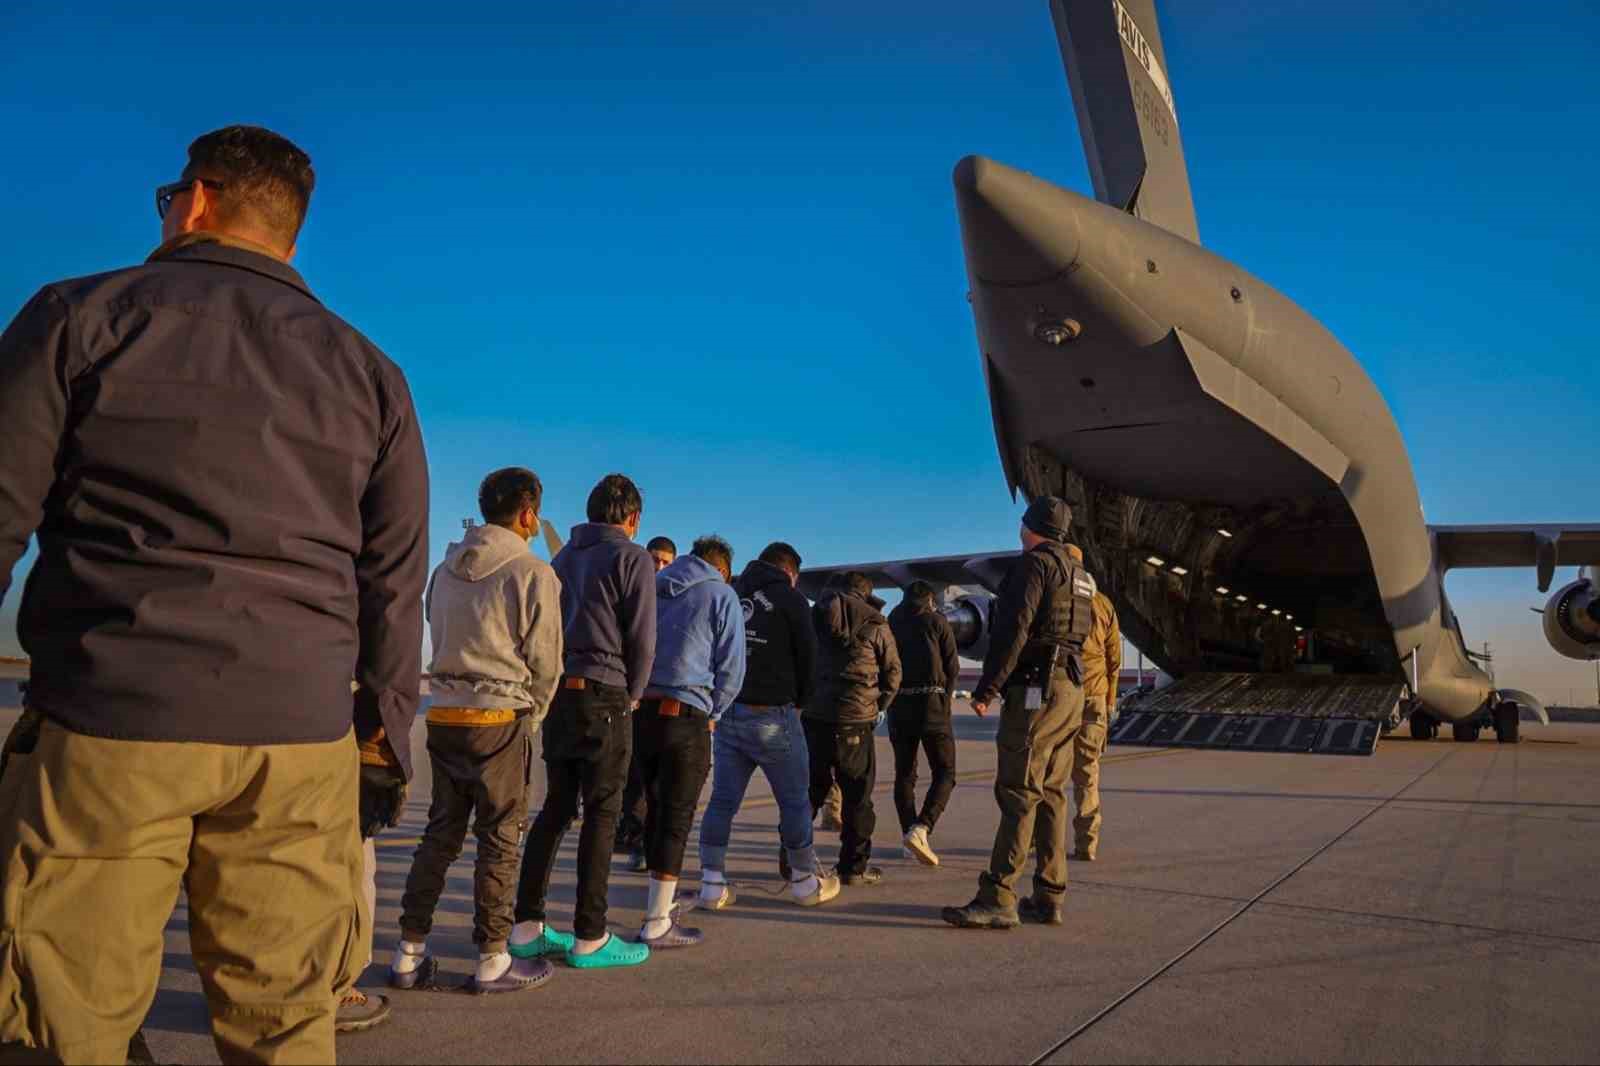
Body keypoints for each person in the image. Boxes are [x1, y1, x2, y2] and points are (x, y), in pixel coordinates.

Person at [0, 125, 428, 1062]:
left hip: (114, 717)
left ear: (194, 200)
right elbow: (394, 583)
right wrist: (383, 739)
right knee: (283, 1023)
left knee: (65, 1014)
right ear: (290, 236)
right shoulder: (371, 374)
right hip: (299, 738)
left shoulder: (81, 316)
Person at [388, 468, 564, 993]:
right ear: (529, 513)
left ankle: (408, 950)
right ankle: (492, 956)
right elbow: (546, 660)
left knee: (440, 836)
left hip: (444, 714)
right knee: (500, 838)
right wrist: (532, 715)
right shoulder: (534, 571)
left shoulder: (444, 570)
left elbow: (431, 627)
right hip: (498, 718)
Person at [509, 474, 656, 969]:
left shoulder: (563, 558)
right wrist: (633, 696)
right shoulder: (632, 558)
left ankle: (527, 926)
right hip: (606, 691)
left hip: (561, 695)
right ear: (632, 519)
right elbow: (642, 637)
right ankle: (590, 934)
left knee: (555, 808)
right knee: (603, 813)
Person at [943, 496, 1095, 930]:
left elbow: (1013, 630)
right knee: (1051, 792)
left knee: (1017, 791)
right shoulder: (1080, 576)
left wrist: (988, 687)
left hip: (1036, 690)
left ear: (1029, 528)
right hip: (1071, 689)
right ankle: (1049, 895)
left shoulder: (1033, 566)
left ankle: (998, 896)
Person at [698, 542, 840, 909]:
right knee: (794, 801)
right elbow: (810, 658)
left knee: (722, 801)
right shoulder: (791, 601)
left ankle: (712, 882)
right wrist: (801, 704)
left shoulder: (732, 594)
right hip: (774, 716)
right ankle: (804, 881)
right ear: (790, 573)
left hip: (729, 712)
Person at [633, 535, 745, 947]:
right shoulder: (721, 594)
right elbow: (732, 669)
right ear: (723, 569)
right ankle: (657, 919)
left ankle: (657, 905)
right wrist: (714, 712)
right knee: (677, 819)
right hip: (687, 714)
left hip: (643, 713)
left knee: (655, 810)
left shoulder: (651, 585)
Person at [805, 571, 901, 886]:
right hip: (857, 721)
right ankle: (853, 868)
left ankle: (794, 857)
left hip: (816, 717)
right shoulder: (876, 624)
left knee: (810, 791)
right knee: (858, 797)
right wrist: (878, 706)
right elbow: (893, 673)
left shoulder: (813, 618)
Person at [886, 581, 960, 867]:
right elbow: (952, 667)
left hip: (900, 706)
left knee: (905, 774)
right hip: (932, 704)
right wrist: (946, 700)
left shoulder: (892, 622)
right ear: (929, 600)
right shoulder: (937, 622)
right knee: (945, 771)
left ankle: (908, 833)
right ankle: (921, 827)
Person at [616, 535, 678, 870]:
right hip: (631, 698)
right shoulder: (632, 594)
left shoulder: (676, 600)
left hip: (662, 701)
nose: (659, 567)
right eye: (654, 559)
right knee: (631, 776)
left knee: (656, 781)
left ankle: (645, 844)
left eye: (666, 562)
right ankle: (632, 834)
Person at [1066, 545, 1119, 862]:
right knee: (1087, 774)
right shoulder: (1104, 604)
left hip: (1062, 695)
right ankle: (1087, 843)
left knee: (1045, 771)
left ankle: (1036, 838)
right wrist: (1111, 700)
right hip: (1095, 697)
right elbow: (1114, 659)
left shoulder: (1059, 598)